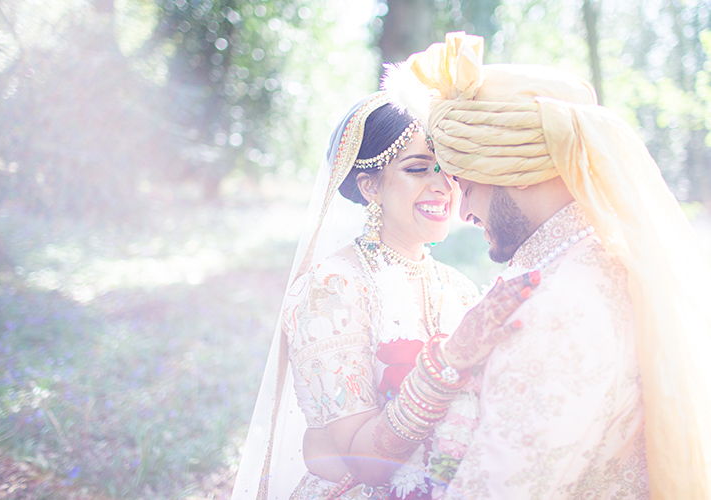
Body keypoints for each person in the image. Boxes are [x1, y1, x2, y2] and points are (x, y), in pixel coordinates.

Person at [384, 32, 711, 499]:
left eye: (464, 185)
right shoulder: (601, 260)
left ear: (504, 167)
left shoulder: (559, 307)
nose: (463, 212)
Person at [231, 92, 538, 500]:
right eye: (417, 169)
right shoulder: (332, 288)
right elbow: (365, 465)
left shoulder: (458, 288)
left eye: (446, 170)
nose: (442, 187)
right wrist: (452, 359)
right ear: (370, 185)